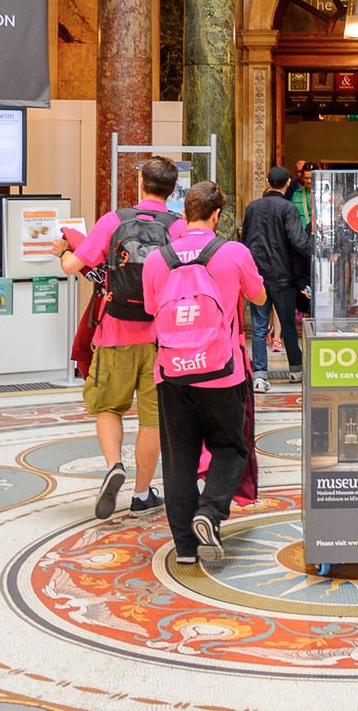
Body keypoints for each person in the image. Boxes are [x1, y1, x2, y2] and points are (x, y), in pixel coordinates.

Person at [141, 180, 266, 567]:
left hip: (172, 373)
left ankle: (184, 548)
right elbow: (259, 296)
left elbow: (150, 308)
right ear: (217, 215)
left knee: (179, 458)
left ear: (184, 213)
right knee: (230, 448)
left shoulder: (157, 258)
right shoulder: (233, 252)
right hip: (222, 372)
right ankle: (208, 513)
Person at [57, 155, 182, 520]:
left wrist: (64, 250)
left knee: (108, 407)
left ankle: (114, 465)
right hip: (160, 337)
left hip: (115, 332)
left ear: (140, 184)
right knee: (152, 419)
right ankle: (143, 493)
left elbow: (72, 266)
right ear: (172, 190)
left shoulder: (114, 221)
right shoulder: (177, 227)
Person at [240, 165, 313, 392]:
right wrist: (315, 249)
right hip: (282, 277)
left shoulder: (252, 208)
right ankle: (295, 370)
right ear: (288, 182)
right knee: (288, 325)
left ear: (269, 183)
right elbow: (299, 242)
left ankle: (260, 375)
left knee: (260, 327)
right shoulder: (288, 208)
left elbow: (246, 240)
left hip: (257, 276)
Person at [289, 160, 315, 229]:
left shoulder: (328, 194)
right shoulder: (296, 195)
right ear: (303, 177)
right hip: (302, 235)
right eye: (306, 178)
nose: (309, 181)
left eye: (312, 178)